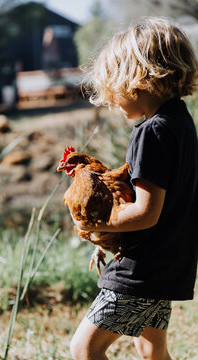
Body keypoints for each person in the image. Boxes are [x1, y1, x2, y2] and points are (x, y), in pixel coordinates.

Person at [70, 17, 198, 360]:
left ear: (139, 80)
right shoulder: (181, 122)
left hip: (141, 270)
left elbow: (145, 212)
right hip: (172, 262)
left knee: (85, 348)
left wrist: (96, 225)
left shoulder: (150, 132)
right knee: (150, 348)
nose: (111, 99)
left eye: (113, 87)